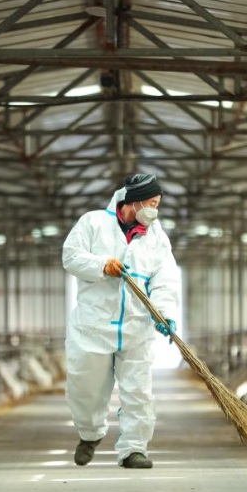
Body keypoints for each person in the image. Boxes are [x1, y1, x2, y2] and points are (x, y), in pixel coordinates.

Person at [61, 172, 180, 469]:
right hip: (93, 325)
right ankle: (89, 434)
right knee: (85, 386)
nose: (155, 209)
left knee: (138, 391)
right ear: (135, 201)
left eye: (158, 204)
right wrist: (102, 265)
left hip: (136, 327)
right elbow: (70, 256)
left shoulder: (157, 239)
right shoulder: (92, 223)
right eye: (151, 203)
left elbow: (164, 280)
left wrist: (164, 313)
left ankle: (133, 449)